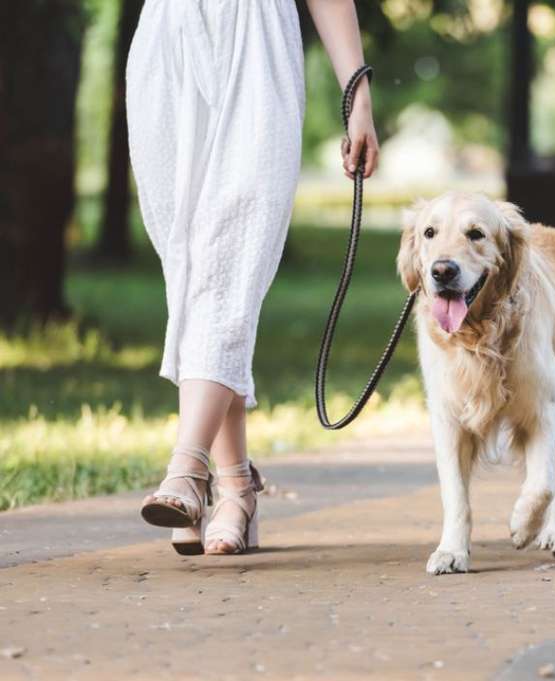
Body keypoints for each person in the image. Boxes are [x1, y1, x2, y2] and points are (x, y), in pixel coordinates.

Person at [126, 0, 379, 555]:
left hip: (258, 44)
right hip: (166, 43)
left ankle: (187, 468)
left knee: (228, 264)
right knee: (192, 275)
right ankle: (236, 485)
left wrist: (356, 94)